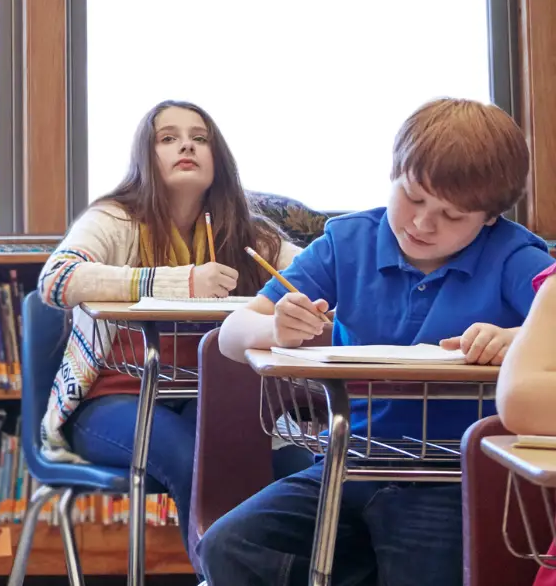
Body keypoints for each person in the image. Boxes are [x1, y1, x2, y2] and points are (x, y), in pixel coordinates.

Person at [203, 98, 552, 586]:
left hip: (452, 473)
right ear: (393, 174)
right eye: (413, 196)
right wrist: (275, 328)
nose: (423, 223)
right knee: (229, 545)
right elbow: (231, 337)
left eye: (452, 215)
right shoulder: (350, 242)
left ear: (490, 217)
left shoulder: (514, 256)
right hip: (349, 459)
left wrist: (518, 336)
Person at [37, 100, 291, 563]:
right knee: (196, 457)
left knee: (291, 463)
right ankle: (224, 575)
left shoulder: (247, 231)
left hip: (208, 398)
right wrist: (180, 281)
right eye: (168, 138)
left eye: (200, 137)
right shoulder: (114, 219)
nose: (186, 145)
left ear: (218, 157)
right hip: (113, 400)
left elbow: (321, 274)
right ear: (145, 157)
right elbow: (57, 280)